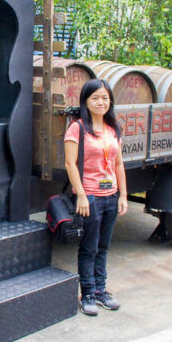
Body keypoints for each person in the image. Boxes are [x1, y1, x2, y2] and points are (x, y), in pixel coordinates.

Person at [64, 79, 129, 316]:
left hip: (111, 195)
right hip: (90, 195)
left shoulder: (113, 129)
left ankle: (101, 290)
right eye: (95, 98)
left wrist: (123, 194)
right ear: (86, 101)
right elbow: (70, 164)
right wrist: (80, 194)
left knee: (104, 246)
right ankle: (88, 293)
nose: (101, 102)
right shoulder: (77, 128)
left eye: (105, 98)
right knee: (89, 247)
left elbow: (118, 164)